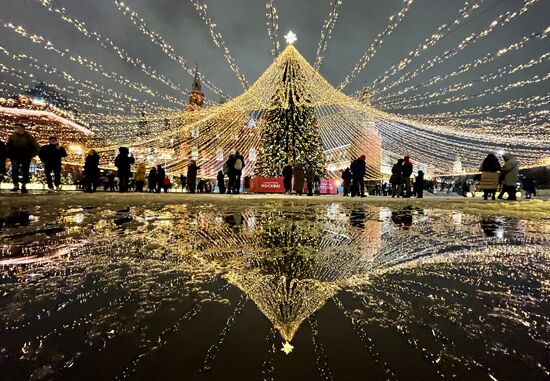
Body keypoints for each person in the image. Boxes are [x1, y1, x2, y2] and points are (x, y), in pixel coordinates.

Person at [6, 123, 40, 193]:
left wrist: (31, 155)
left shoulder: (29, 137)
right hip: (15, 157)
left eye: (16, 127)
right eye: (14, 127)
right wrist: (9, 155)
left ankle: (24, 185)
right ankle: (16, 185)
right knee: (14, 170)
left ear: (22, 128)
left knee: (25, 171)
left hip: (25, 157)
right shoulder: (12, 137)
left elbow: (36, 147)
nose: (14, 129)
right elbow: (8, 147)